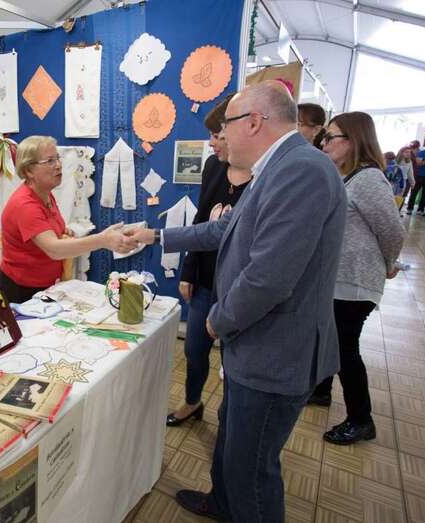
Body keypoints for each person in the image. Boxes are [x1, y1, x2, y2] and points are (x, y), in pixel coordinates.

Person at [127, 81, 346, 522]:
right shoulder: (278, 167)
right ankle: (222, 503)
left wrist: (216, 322)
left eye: (225, 125)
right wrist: (155, 235)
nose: (221, 136)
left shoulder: (301, 171)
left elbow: (269, 278)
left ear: (254, 122)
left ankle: (237, 506)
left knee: (252, 472)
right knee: (232, 442)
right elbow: (224, 230)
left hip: (274, 354)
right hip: (255, 349)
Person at [307, 112, 405, 445]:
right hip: (337, 280)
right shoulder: (345, 177)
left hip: (355, 282)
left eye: (330, 137)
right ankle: (322, 390)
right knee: (328, 337)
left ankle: (361, 419)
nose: (324, 144)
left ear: (353, 140)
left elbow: (393, 231)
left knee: (345, 349)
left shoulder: (368, 179)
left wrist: (389, 263)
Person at [166, 94, 253, 428]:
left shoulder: (264, 178)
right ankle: (192, 402)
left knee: (234, 361)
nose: (212, 143)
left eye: (217, 136)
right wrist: (188, 271)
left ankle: (230, 417)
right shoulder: (214, 167)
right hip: (205, 280)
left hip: (239, 287)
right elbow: (202, 222)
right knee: (194, 349)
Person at [0, 136, 135, 303]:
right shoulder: (25, 205)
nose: (58, 165)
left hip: (46, 286)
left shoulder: (45, 194)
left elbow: (47, 233)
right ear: (29, 171)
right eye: (50, 161)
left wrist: (62, 233)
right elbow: (54, 250)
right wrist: (103, 240)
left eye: (57, 158)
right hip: (22, 291)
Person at [396, 146, 416, 213]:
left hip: (403, 182)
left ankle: (397, 212)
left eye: (409, 152)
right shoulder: (395, 160)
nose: (408, 154)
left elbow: (410, 173)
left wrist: (412, 183)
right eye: (406, 152)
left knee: (401, 197)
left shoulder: (409, 162)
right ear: (401, 152)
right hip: (394, 181)